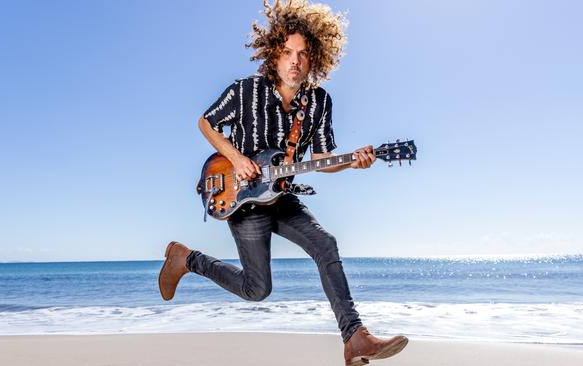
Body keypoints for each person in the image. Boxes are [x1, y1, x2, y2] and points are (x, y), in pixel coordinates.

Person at [158, 1, 408, 364]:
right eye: (288, 52)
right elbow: (206, 123)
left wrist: (353, 162)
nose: (295, 61)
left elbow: (321, 160)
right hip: (242, 200)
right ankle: (186, 259)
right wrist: (236, 158)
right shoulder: (246, 90)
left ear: (315, 58)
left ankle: (355, 339)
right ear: (273, 55)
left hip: (284, 194)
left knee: (326, 243)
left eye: (304, 54)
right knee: (257, 290)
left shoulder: (319, 102)